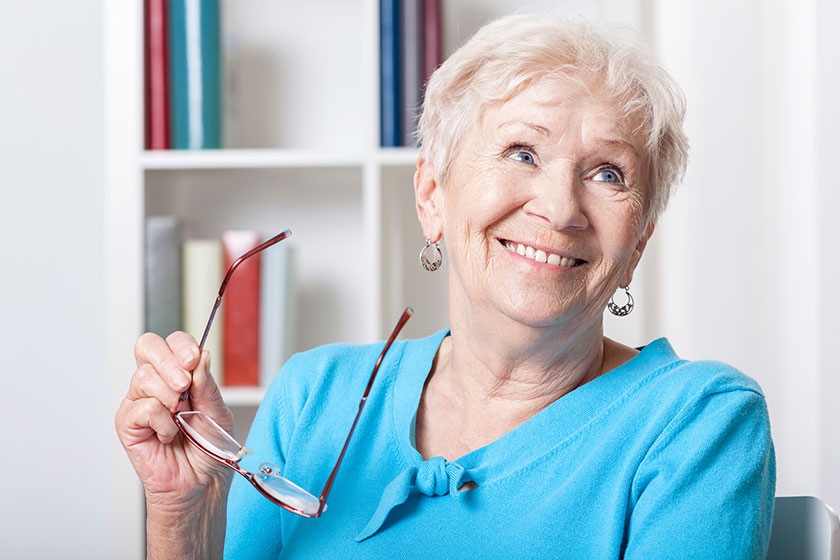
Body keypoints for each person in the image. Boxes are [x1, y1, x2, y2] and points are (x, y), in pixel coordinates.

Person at [116, 14, 775, 559]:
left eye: (607, 173)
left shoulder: (700, 423)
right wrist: (180, 518)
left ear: (637, 246)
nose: (560, 207)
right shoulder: (311, 396)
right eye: (522, 152)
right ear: (432, 195)